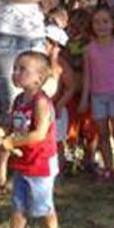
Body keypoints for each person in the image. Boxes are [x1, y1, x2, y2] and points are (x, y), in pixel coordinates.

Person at [0, 51, 65, 228]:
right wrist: (2, 132)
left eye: (22, 69)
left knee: (42, 205)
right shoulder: (18, 99)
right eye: (15, 68)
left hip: (41, 163)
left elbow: (39, 134)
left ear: (39, 78)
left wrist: (11, 142)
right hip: (24, 161)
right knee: (19, 203)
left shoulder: (41, 102)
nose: (15, 72)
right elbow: (10, 124)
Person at [79, 6, 114, 181]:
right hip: (97, 97)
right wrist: (84, 99)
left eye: (105, 22)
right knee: (102, 134)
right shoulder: (89, 50)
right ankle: (108, 168)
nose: (101, 26)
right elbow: (87, 76)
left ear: (113, 24)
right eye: (96, 22)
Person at [64, 8, 98, 173]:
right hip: (71, 92)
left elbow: (84, 65)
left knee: (90, 125)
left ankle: (90, 156)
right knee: (71, 124)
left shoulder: (91, 45)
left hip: (89, 92)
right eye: (73, 25)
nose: (76, 29)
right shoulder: (66, 44)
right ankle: (70, 155)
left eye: (81, 25)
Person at [44, 23, 77, 174]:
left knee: (56, 141)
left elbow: (71, 87)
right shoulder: (37, 61)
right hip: (40, 109)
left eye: (46, 41)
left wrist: (60, 104)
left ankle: (59, 169)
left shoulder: (61, 66)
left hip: (56, 109)